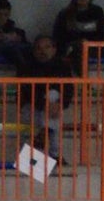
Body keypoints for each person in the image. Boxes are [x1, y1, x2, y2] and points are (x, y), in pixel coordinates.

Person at [17, 34, 75, 162]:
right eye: (38, 48)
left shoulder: (63, 66)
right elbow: (27, 92)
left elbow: (68, 90)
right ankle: (54, 153)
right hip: (31, 107)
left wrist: (59, 103)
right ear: (34, 51)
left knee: (53, 96)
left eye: (46, 47)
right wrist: (46, 104)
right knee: (50, 103)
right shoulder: (26, 66)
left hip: (52, 109)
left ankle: (41, 139)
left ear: (54, 49)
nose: (42, 51)